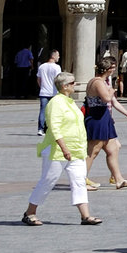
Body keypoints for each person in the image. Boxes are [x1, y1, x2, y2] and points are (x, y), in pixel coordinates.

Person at [22, 72, 102, 226]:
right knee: (48, 180)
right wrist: (64, 148)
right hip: (58, 150)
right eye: (73, 83)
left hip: (76, 150)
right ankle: (30, 212)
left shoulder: (70, 101)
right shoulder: (56, 103)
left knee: (79, 181)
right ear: (65, 86)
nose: (75, 85)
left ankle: (85, 216)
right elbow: (55, 127)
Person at [83, 58, 127, 189]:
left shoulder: (102, 82)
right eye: (113, 68)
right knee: (93, 151)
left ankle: (119, 179)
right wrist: (112, 90)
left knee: (113, 149)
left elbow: (114, 102)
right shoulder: (97, 82)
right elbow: (107, 98)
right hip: (97, 119)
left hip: (104, 118)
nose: (114, 70)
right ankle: (81, 180)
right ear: (108, 69)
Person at [35, 48, 61, 132]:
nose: (59, 57)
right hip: (53, 92)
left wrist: (42, 86)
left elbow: (38, 79)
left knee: (42, 110)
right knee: (53, 111)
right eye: (58, 55)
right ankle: (51, 128)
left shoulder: (42, 66)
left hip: (44, 92)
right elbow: (58, 80)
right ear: (53, 56)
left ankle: (40, 129)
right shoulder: (56, 67)